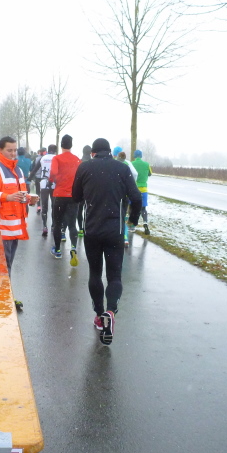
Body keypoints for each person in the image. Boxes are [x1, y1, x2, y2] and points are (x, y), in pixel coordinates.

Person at [73, 138, 141, 346]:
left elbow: (75, 196)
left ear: (93, 153)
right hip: (115, 230)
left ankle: (99, 314)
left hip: (92, 229)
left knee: (95, 273)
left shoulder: (84, 167)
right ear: (110, 152)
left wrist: (90, 192)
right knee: (114, 276)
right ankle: (111, 311)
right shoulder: (122, 168)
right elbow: (137, 197)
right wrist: (133, 220)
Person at [0, 136, 29, 311]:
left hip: (14, 228)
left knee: (6, 267)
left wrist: (29, 199)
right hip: (2, 228)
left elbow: (20, 195)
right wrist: (7, 197)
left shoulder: (18, 170)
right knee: (1, 267)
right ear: (0, 150)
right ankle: (0, 300)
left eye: (15, 150)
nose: (13, 153)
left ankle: (3, 297)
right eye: (9, 150)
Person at [49, 135, 81, 266]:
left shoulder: (57, 158)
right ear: (71, 145)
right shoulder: (77, 160)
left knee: (57, 223)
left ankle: (57, 250)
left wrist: (53, 179)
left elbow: (53, 172)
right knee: (72, 224)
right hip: (73, 195)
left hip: (60, 194)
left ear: (61, 145)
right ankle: (73, 247)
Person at [131, 149, 152, 235]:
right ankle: (145, 223)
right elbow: (150, 174)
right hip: (144, 189)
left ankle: (133, 226)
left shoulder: (132, 164)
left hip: (134, 189)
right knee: (143, 208)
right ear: (141, 156)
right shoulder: (147, 164)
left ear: (134, 156)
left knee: (133, 208)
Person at [37, 145, 57, 237]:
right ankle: (53, 226)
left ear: (48, 150)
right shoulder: (56, 158)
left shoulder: (43, 158)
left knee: (44, 206)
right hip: (54, 184)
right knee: (54, 206)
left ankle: (45, 226)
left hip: (44, 184)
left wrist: (30, 177)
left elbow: (35, 169)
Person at [76, 145, 92, 236]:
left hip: (81, 189)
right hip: (91, 190)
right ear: (91, 152)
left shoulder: (79, 162)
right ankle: (87, 228)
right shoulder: (93, 163)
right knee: (89, 209)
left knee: (79, 209)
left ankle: (81, 229)